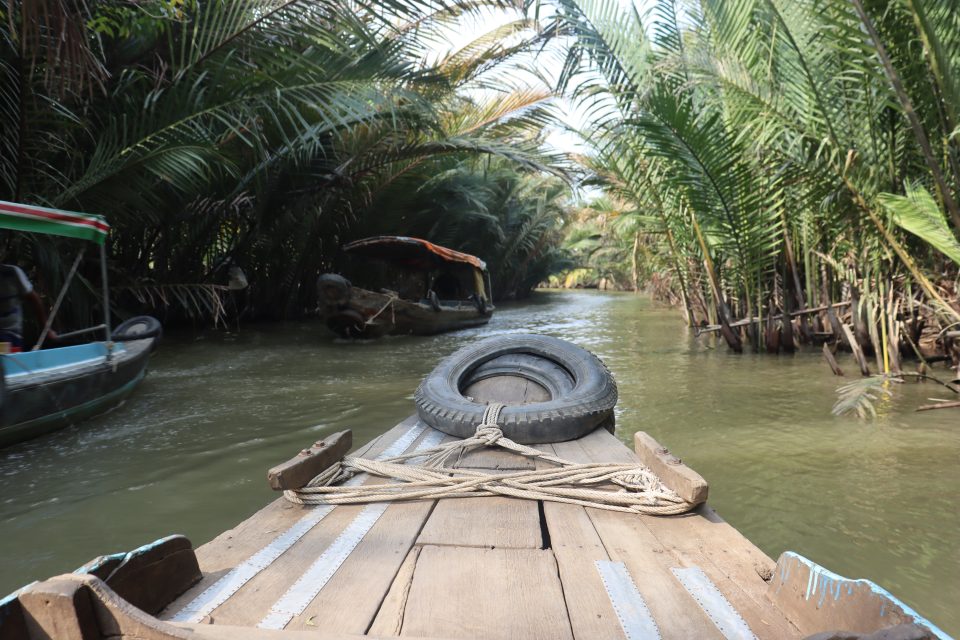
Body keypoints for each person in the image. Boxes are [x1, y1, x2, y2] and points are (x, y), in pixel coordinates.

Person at [0, 264, 53, 352]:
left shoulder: (11, 272)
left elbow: (34, 299)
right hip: (8, 337)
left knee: (8, 359)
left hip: (10, 335)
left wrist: (45, 329)